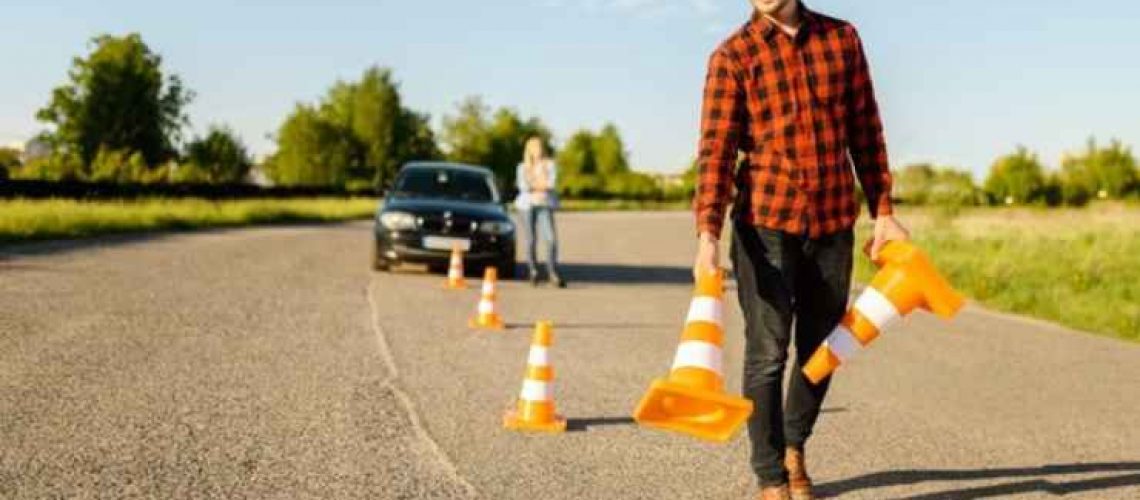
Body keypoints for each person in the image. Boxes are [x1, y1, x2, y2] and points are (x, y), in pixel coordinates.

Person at [692, 2, 910, 499]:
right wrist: (707, 234)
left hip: (833, 220)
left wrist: (883, 209)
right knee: (767, 354)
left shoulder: (841, 39)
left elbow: (866, 131)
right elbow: (716, 152)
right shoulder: (733, 56)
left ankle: (794, 447)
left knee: (821, 350)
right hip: (764, 225)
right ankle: (771, 474)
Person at [515, 137, 567, 288]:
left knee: (550, 238)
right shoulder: (522, 167)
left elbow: (551, 184)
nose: (538, 150)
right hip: (526, 206)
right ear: (529, 150)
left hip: (545, 204)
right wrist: (540, 184)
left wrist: (535, 184)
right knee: (531, 239)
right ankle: (533, 270)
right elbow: (523, 187)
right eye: (534, 147)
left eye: (540, 147)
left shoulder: (549, 165)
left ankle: (552, 271)